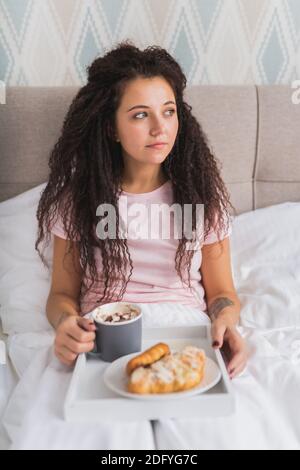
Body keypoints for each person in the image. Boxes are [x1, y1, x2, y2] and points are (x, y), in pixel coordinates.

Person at [35, 40, 248, 379]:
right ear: (111, 128)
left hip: (184, 330)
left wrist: (225, 319)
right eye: (139, 115)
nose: (160, 128)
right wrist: (66, 323)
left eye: (168, 111)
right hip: (106, 333)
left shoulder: (202, 195)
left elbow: (222, 293)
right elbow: (61, 294)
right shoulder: (78, 199)